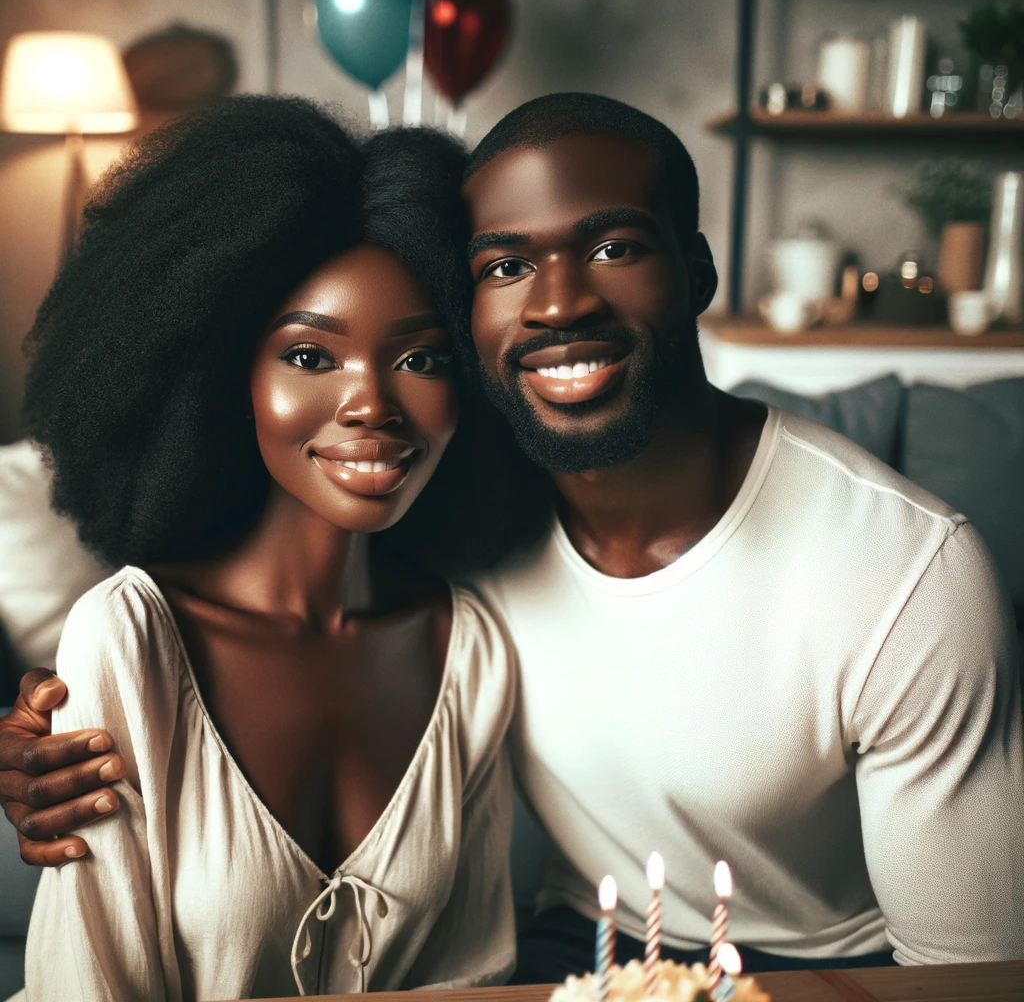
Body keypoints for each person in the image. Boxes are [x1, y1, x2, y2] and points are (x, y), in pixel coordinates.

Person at [4, 93, 1024, 978]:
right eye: (503, 264)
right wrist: (48, 752)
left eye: (615, 247)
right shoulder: (471, 545)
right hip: (566, 955)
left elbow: (969, 976)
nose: (558, 302)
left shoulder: (901, 568)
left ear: (699, 268)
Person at [3, 95, 523, 1000]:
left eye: (421, 359)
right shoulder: (130, 641)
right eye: (311, 357)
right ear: (218, 376)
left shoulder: (467, 648)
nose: (371, 406)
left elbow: (471, 980)